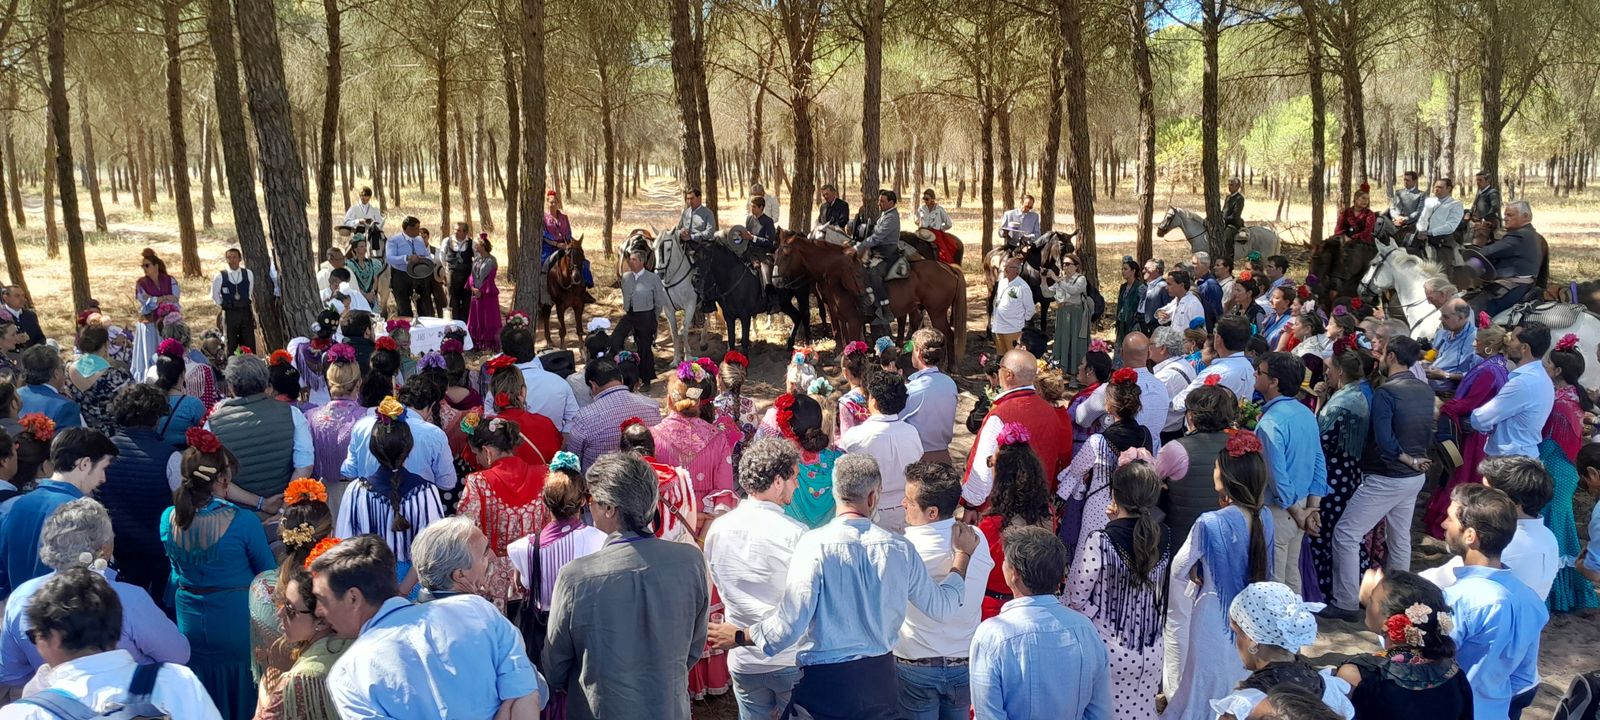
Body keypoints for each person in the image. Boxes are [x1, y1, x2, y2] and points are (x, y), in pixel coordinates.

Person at [708, 453, 979, 720]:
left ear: (835, 493)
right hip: (880, 683)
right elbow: (942, 607)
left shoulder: (813, 545)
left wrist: (741, 635)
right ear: (872, 498)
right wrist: (962, 556)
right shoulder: (900, 549)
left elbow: (789, 625)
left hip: (826, 685)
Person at [543, 453, 706, 719]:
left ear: (609, 508)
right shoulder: (690, 561)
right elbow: (693, 648)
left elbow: (555, 665)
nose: (588, 508)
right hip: (668, 707)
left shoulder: (575, 577)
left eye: (591, 500)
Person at [314, 536, 546, 719]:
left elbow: (525, 693)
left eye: (323, 600)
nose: (318, 611)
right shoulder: (476, 610)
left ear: (353, 598)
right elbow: (525, 695)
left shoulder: (349, 675)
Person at [0, 498, 190, 691]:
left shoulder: (22, 597)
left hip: (55, 700)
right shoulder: (128, 599)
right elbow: (179, 655)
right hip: (126, 701)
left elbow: (11, 673)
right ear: (104, 550)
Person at [1160, 429, 1275, 720]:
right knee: (1237, 678)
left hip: (1212, 614)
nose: (1213, 471)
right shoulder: (1266, 517)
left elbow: (1178, 567)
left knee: (1204, 682)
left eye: (1216, 467)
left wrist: (1196, 572)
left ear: (1226, 477)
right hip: (1251, 618)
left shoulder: (1209, 522)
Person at [1, 568, 220, 719]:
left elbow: (9, 675)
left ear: (55, 637)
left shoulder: (24, 714)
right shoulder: (178, 682)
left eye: (35, 635)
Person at [161, 430, 275, 717]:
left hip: (189, 623)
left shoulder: (168, 518)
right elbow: (268, 575)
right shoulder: (244, 521)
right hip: (237, 624)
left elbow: (175, 570)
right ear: (223, 479)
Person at [1321, 337, 1432, 619]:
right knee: (1399, 539)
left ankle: (1345, 601)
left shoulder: (1386, 392)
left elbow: (1384, 439)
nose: (1379, 359)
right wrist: (1414, 461)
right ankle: (1397, 601)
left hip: (1388, 475)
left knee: (1345, 534)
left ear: (1391, 357)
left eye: (1382, 354)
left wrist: (1406, 458)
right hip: (1413, 477)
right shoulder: (1424, 389)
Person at [703, 438, 809, 720]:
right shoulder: (796, 533)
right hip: (788, 658)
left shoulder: (718, 529)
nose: (797, 485)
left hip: (743, 658)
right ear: (778, 482)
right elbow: (805, 602)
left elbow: (717, 581)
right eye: (794, 478)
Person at [968, 526, 1110, 720]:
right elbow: (1100, 712)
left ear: (1014, 573)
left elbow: (988, 715)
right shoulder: (1085, 629)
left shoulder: (991, 635)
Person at [886, 462, 992, 720]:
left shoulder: (902, 548)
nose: (902, 503)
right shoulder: (978, 538)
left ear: (932, 512)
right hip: (964, 665)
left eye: (909, 500)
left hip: (914, 668)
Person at [1066, 460, 1170, 720]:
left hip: (1109, 646)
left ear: (1114, 496)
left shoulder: (1101, 540)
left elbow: (1076, 598)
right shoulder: (1164, 537)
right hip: (1151, 647)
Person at [1436, 484, 1548, 720]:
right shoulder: (1531, 600)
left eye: (1450, 519)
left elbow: (1424, 664)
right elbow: (1523, 678)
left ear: (1470, 536)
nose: (1444, 524)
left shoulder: (1458, 599)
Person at [1421, 456, 1559, 602]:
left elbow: (1438, 581)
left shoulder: (1500, 541)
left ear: (1512, 502)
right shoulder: (1548, 537)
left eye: (1486, 492)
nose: (1479, 497)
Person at [0, 428, 117, 597]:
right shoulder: (85, 515)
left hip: (21, 606)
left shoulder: (18, 505)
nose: (103, 478)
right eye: (103, 468)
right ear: (84, 464)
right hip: (63, 607)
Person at [1212, 582, 1356, 720]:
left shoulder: (1245, 706)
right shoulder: (1325, 685)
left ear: (1252, 640)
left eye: (1236, 633)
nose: (1236, 643)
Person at [337, 397, 446, 565]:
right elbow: (435, 549)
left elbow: (345, 546)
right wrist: (406, 582)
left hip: (370, 577)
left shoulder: (355, 491)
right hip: (414, 578)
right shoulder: (426, 491)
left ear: (373, 449)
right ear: (408, 447)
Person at [1306, 351, 1378, 602]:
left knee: (1324, 531)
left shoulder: (1341, 404)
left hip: (1334, 477)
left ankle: (1326, 588)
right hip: (1348, 474)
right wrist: (1322, 398)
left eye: (1329, 369)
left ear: (1340, 372)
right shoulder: (1356, 395)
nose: (1326, 373)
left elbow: (1320, 439)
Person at [99, 384, 182, 604]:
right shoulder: (170, 456)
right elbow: (181, 505)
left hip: (119, 547)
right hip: (159, 549)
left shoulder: (103, 452)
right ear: (157, 417)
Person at [458, 416, 551, 609]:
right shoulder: (545, 474)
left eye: (477, 454)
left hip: (493, 576)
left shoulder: (478, 482)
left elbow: (465, 528)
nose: (477, 460)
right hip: (536, 567)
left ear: (487, 451)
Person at [1254, 351, 1328, 594]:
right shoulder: (1305, 413)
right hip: (1301, 504)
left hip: (1281, 509)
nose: (1255, 375)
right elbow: (1319, 462)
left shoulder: (1270, 423)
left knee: (1274, 580)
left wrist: (1299, 512)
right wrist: (1312, 507)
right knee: (1291, 574)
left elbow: (1276, 475)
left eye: (1260, 372)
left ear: (1273, 382)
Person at [1427, 324, 1510, 536]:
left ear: (1489, 346)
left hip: (1472, 434)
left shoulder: (1489, 371)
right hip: (1477, 430)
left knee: (1460, 473)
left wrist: (1444, 406)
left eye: (1478, 341)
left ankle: (1451, 521)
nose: (1473, 344)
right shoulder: (1497, 366)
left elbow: (1471, 402)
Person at [963, 349, 1070, 508]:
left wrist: (971, 504)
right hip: (1039, 502)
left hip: (1005, 505)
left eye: (1000, 367)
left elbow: (983, 466)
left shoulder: (1000, 415)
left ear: (1008, 374)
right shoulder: (1051, 412)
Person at [1537, 337, 1597, 611]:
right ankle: (1568, 592)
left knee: (1552, 530)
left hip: (1554, 469)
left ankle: (1554, 592)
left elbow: (1548, 441)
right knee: (1562, 528)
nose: (1545, 366)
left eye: (1548, 363)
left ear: (1558, 371)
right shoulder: (1574, 396)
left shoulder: (1558, 402)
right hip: (1566, 470)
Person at [206, 353, 314, 500]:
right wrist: (285, 505)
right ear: (265, 382)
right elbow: (305, 466)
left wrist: (260, 503)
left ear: (230, 386)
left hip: (236, 510)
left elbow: (214, 477)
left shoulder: (213, 423)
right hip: (284, 505)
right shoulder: (292, 413)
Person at [255, 559, 347, 720]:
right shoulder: (355, 646)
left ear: (321, 622)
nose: (280, 613)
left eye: (290, 608)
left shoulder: (300, 681)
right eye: (283, 603)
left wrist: (265, 693)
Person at [979, 428, 1054, 619]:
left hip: (994, 608)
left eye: (991, 463)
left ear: (1002, 474)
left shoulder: (992, 524)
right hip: (1035, 604)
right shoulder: (1046, 512)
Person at [652, 365, 737, 531]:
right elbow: (724, 495)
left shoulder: (653, 437)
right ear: (698, 401)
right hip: (706, 529)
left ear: (669, 400)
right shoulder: (718, 439)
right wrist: (702, 539)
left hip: (665, 529)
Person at [1153, 383, 1238, 543]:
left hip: (1184, 537)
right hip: (1228, 535)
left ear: (1191, 416)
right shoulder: (1239, 445)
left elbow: (1152, 479)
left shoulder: (1176, 449)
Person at [839, 371, 922, 533]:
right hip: (906, 510)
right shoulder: (912, 433)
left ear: (873, 401)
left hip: (871, 512)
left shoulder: (855, 436)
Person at [1470, 320, 1553, 458]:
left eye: (1513, 339)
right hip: (1520, 456)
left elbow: (1480, 419)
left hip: (1509, 460)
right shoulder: (1542, 378)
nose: (1507, 343)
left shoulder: (1523, 383)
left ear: (1524, 348)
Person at [565, 358, 663, 470]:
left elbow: (573, 458)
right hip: (646, 476)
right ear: (621, 378)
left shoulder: (584, 417)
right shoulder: (651, 405)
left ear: (593, 385)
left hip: (599, 480)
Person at [498, 320, 580, 431]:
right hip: (553, 440)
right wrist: (561, 438)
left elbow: (491, 420)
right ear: (532, 349)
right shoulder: (560, 383)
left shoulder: (499, 386)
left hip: (513, 441)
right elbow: (575, 420)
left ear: (505, 355)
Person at [1476, 200, 1546, 316]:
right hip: (1522, 287)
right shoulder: (1529, 233)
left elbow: (1486, 252)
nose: (1505, 218)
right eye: (1505, 215)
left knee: (1469, 311)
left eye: (1510, 215)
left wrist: (1477, 242)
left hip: (1512, 289)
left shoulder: (1519, 235)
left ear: (1525, 216)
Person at [1173, 317, 1256, 413]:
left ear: (1218, 339)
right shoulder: (1249, 367)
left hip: (1213, 421)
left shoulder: (1215, 372)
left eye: (1215, 333)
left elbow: (1180, 404)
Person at [614, 251, 668, 385]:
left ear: (641, 262)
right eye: (630, 259)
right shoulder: (626, 277)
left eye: (634, 260)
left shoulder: (653, 278)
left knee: (644, 347)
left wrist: (654, 318)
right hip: (630, 315)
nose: (630, 262)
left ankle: (646, 380)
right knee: (615, 339)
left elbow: (659, 301)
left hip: (646, 316)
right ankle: (620, 373)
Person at [903, 329, 958, 463]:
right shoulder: (950, 383)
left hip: (918, 459)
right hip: (944, 456)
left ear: (918, 352)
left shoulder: (912, 389)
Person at [853, 189, 902, 329]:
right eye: (879, 201)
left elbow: (878, 237)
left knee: (874, 272)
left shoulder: (891, 217)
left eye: (882, 201)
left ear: (891, 203)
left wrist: (859, 247)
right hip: (877, 251)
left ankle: (885, 308)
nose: (879, 204)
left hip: (887, 253)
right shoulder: (885, 214)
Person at [131, 249, 181, 382]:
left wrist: (154, 299)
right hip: (149, 324)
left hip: (167, 322)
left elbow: (175, 299)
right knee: (150, 351)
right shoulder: (141, 283)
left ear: (156, 266)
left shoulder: (170, 280)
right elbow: (145, 302)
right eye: (143, 266)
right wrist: (163, 298)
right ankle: (148, 378)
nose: (144, 268)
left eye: (147, 265)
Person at [1048, 252, 1090, 372]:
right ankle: (1062, 367)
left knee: (1076, 340)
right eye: (1063, 264)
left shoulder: (1081, 279)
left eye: (1067, 264)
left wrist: (1055, 278)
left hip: (1075, 313)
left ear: (1076, 266)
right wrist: (1044, 279)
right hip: (1062, 312)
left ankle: (1076, 369)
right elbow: (1047, 293)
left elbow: (1073, 290)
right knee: (1063, 339)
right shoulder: (1062, 280)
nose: (1064, 267)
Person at [210, 248, 257, 355]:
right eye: (229, 257)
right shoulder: (220, 276)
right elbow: (215, 296)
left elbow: (249, 292)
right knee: (230, 343)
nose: (232, 260)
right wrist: (226, 305)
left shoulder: (248, 274)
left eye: (235, 257)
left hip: (245, 313)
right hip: (230, 313)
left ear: (240, 259)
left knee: (249, 342)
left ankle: (251, 363)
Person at [385, 216, 435, 317]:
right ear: (409, 228)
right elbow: (390, 258)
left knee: (425, 307)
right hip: (401, 276)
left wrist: (424, 258)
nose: (419, 231)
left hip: (419, 274)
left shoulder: (419, 240)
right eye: (417, 228)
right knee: (404, 308)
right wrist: (407, 258)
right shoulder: (394, 240)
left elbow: (426, 254)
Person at [1427, 299, 1480, 392]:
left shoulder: (1475, 339)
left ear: (1461, 318)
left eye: (1445, 317)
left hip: (1449, 393)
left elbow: (1476, 375)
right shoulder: (1443, 331)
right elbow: (1433, 355)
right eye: (1441, 315)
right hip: (1429, 384)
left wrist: (1445, 375)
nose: (1440, 319)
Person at [464, 234, 503, 351]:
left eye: (477, 245)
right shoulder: (476, 259)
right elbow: (472, 275)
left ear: (483, 246)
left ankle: (490, 346)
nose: (475, 247)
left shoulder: (492, 260)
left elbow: (490, 278)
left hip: (487, 295)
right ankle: (477, 344)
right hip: (475, 294)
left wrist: (481, 291)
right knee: (476, 318)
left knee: (488, 319)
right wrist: (472, 287)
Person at [990, 257, 1035, 357]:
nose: (1006, 269)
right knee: (1002, 357)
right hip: (998, 328)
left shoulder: (1023, 287)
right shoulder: (1002, 283)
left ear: (1017, 271)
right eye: (1005, 266)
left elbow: (1031, 309)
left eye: (1009, 267)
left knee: (1013, 357)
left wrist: (1020, 322)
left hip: (1013, 330)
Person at [1415, 178, 1465, 257]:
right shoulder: (1429, 201)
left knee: (1443, 262)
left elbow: (1450, 226)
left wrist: (1430, 232)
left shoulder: (1456, 205)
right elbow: (1423, 218)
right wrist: (1422, 230)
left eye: (1440, 187)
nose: (1436, 189)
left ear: (1448, 189)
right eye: (1435, 187)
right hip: (1423, 239)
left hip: (1443, 241)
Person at [442, 222, 475, 320]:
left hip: (466, 276)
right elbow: (442, 256)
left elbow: (477, 258)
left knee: (466, 300)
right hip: (452, 275)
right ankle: (454, 322)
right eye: (456, 230)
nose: (456, 232)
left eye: (459, 230)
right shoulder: (447, 241)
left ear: (466, 232)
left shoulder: (471, 243)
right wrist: (447, 269)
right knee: (452, 300)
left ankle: (465, 323)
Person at [1157, 268, 1204, 332]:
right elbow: (1163, 316)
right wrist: (1159, 313)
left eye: (1169, 284)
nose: (1166, 288)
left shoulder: (1193, 304)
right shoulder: (1176, 301)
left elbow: (1199, 331)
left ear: (1181, 285)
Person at [1115, 257, 1147, 347]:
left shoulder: (1141, 287)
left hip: (1134, 325)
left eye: (1125, 269)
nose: (1123, 271)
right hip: (1122, 323)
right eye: (1122, 269)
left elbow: (1143, 308)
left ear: (1133, 271)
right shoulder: (1123, 287)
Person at [1390, 171, 1427, 239]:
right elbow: (1392, 208)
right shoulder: (1398, 192)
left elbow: (1419, 212)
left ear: (1415, 181)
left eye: (1408, 180)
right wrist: (1396, 217)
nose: (1405, 182)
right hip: (1395, 222)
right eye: (1404, 180)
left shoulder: (1421, 194)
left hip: (1411, 225)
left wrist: (1405, 219)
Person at [1222, 177, 1246, 247]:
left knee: (1227, 235)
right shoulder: (1228, 197)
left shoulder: (1239, 198)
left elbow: (1235, 216)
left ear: (1238, 186)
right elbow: (1224, 210)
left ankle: (1228, 252)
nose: (1229, 187)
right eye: (1229, 185)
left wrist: (1224, 219)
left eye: (1232, 185)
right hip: (1224, 223)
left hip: (1233, 224)